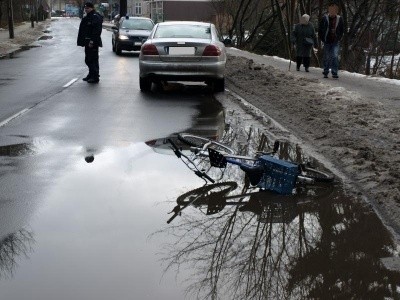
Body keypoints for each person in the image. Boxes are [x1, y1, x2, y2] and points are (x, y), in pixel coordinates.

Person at [77, 2, 103, 83]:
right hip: (87, 42)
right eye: (85, 8)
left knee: (93, 59)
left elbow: (97, 31)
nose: (86, 10)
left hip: (92, 42)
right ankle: (91, 74)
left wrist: (92, 41)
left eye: (88, 8)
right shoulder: (87, 17)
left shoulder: (95, 17)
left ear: (92, 8)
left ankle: (95, 76)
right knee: (88, 59)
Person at [318, 1, 344, 79]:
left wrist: (339, 37)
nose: (332, 11)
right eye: (331, 9)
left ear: (336, 10)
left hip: (335, 41)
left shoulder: (340, 19)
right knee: (326, 56)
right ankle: (325, 71)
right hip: (326, 40)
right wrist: (322, 38)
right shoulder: (324, 18)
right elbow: (320, 29)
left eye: (334, 9)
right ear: (329, 10)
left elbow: (342, 30)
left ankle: (334, 72)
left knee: (335, 56)